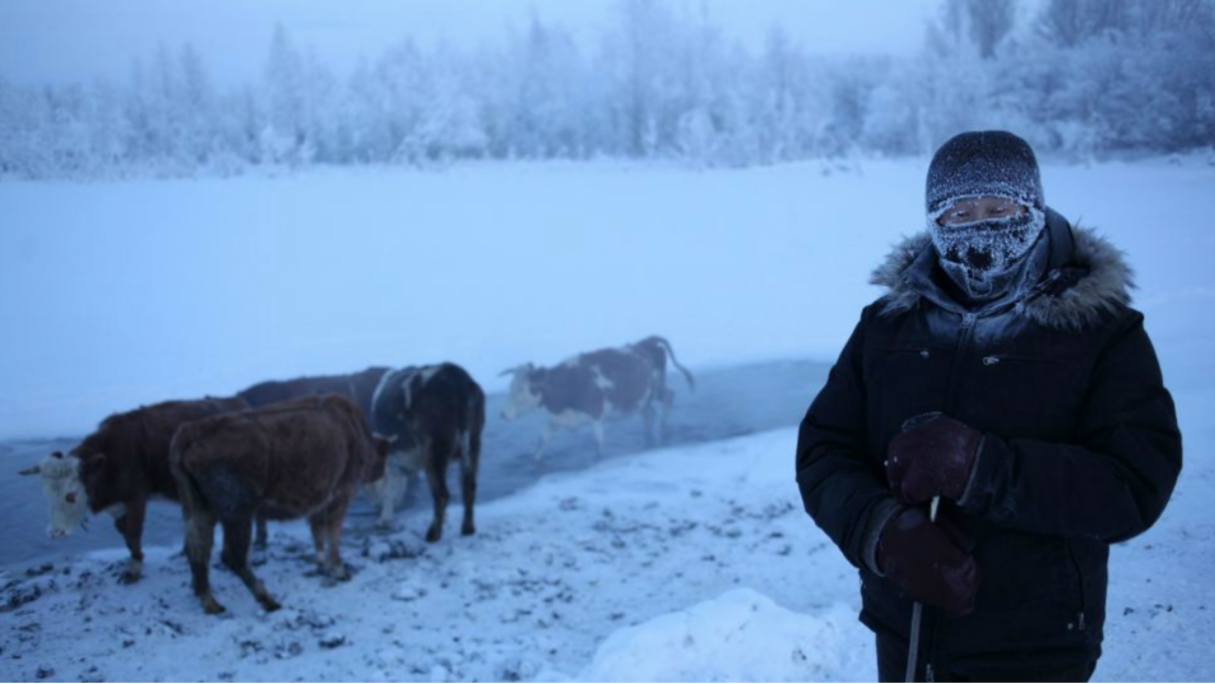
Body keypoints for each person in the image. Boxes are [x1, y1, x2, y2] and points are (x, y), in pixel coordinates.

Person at [795, 130, 1182, 682]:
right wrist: (882, 533)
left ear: (1034, 207)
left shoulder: (1102, 334)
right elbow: (823, 451)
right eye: (958, 213)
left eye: (999, 208)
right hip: (904, 635)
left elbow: (1135, 486)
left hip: (1034, 645)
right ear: (933, 221)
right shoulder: (885, 328)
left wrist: (984, 468)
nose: (980, 227)